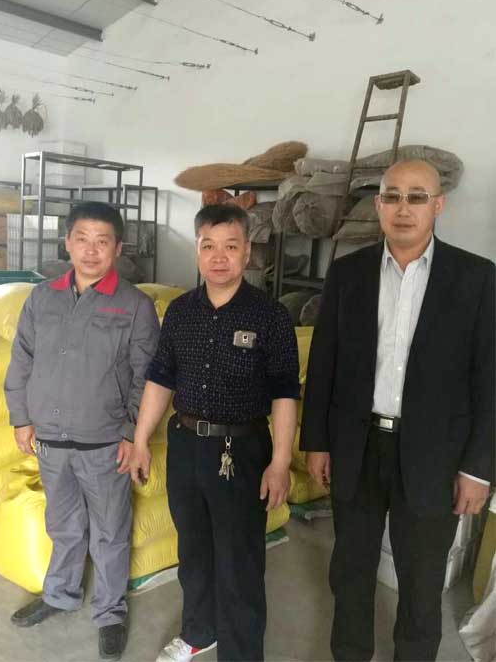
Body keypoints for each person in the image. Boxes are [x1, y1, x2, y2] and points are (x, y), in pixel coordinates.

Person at [301, 159, 495, 662]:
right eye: (392, 196)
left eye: (416, 196)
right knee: (350, 570)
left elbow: (490, 381)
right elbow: (324, 363)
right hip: (357, 447)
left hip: (434, 456)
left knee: (421, 580)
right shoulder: (348, 273)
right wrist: (317, 441)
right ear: (379, 204)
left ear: (438, 205)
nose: (403, 208)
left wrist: (478, 469)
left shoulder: (476, 278)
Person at [128, 204, 300, 662]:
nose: (218, 257)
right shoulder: (180, 311)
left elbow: (285, 393)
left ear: (247, 252)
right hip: (186, 446)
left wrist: (280, 462)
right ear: (197, 252)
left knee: (240, 560)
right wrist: (141, 440)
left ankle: (241, 653)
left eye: (230, 246)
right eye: (208, 246)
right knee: (194, 550)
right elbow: (161, 377)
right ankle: (199, 632)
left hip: (241, 450)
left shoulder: (270, 316)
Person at [4, 201, 160, 662]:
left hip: (105, 443)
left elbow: (147, 376)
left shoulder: (134, 305)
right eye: (82, 239)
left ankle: (109, 613)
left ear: (118, 248)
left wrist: (132, 434)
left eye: (102, 241)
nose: (91, 251)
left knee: (110, 532)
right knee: (63, 523)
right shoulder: (42, 297)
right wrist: (20, 417)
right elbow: (22, 359)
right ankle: (60, 594)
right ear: (67, 243)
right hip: (50, 438)